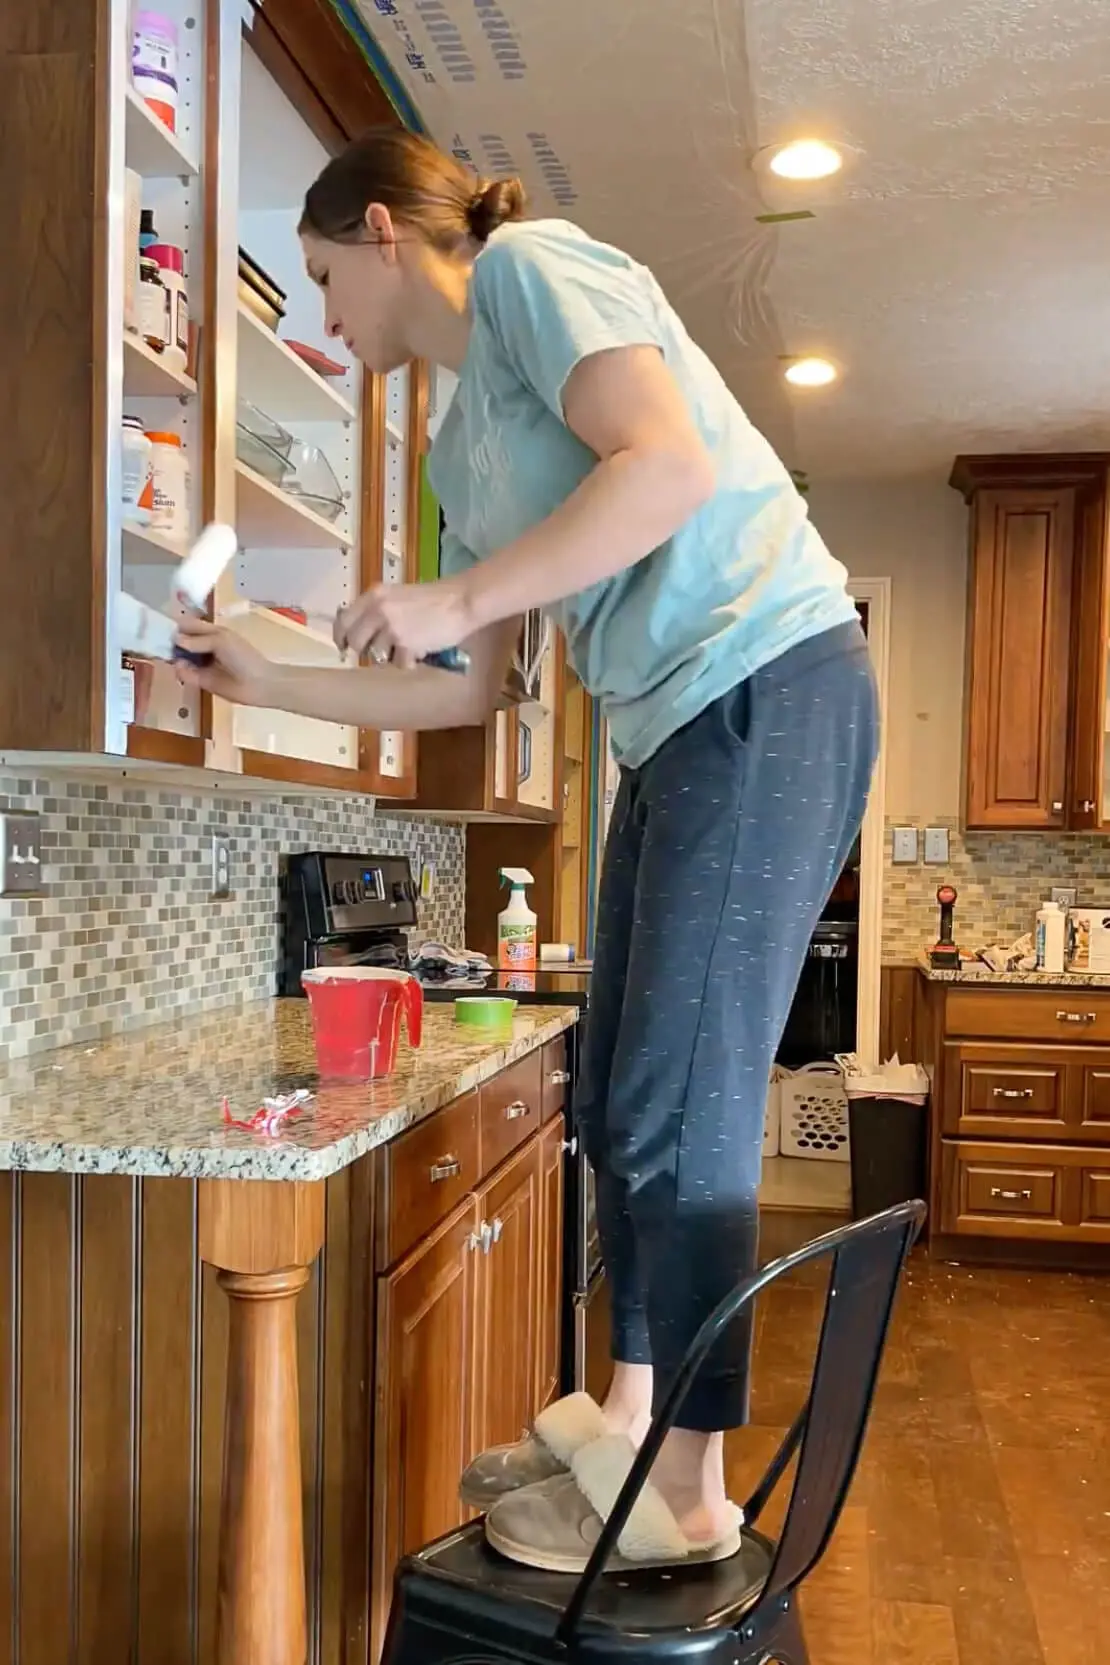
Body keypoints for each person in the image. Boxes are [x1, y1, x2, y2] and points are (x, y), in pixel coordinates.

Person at [176, 129, 878, 1576]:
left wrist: (461, 591)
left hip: (769, 678)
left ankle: (686, 1485)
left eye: (319, 277)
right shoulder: (454, 441)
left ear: (383, 231)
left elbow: (665, 466)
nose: (322, 316)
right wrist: (270, 676)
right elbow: (464, 687)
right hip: (673, 729)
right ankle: (629, 1420)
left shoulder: (530, 270)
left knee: (680, 1102)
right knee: (630, 1087)